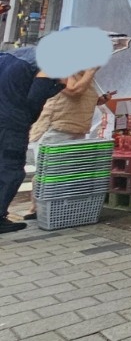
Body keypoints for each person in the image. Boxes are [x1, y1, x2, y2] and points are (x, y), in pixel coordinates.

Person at [0, 43, 97, 232]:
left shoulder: (17, 56)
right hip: (12, 122)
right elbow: (36, 98)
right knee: (11, 169)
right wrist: (27, 120)